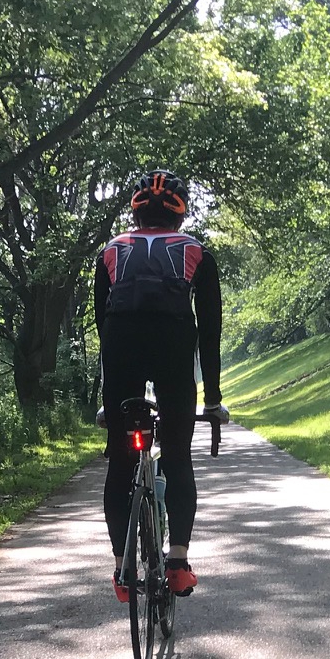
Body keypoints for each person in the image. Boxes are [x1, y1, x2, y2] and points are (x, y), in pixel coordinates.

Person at [93, 170, 228, 599]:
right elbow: (209, 333)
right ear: (180, 213)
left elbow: (104, 328)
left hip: (122, 348)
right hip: (172, 347)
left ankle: (121, 570)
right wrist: (213, 400)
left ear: (136, 211)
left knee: (120, 461)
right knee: (176, 457)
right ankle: (178, 562)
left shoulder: (111, 251)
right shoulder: (196, 253)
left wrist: (106, 401)